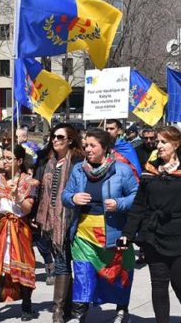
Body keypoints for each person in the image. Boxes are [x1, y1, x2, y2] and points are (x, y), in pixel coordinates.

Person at [120, 126, 181, 323]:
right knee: (158, 284)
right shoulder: (150, 170)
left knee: (180, 282)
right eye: (158, 142)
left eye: (163, 142)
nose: (158, 146)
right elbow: (139, 205)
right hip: (153, 233)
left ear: (175, 144)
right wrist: (128, 233)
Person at [62, 128, 138, 323]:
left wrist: (119, 204)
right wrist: (73, 198)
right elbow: (65, 195)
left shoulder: (122, 169)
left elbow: (137, 197)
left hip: (115, 233)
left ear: (104, 148)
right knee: (82, 272)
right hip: (83, 232)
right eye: (86, 145)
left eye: (92, 145)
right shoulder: (79, 169)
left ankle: (122, 309)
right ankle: (79, 314)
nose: (87, 149)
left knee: (120, 271)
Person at [0, 145, 39, 322]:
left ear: (19, 161)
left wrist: (17, 195)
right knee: (0, 266)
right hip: (3, 227)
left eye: (9, 158)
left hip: (20, 228)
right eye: (4, 157)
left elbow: (27, 209)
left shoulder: (28, 181)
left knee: (23, 264)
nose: (5, 161)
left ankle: (27, 305)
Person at [34, 123, 85, 323]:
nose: (55, 140)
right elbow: (39, 188)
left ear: (70, 140)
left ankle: (74, 307)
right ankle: (59, 310)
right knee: (62, 263)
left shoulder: (79, 162)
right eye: (53, 136)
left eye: (60, 137)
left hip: (75, 220)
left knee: (77, 265)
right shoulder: (46, 161)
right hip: (52, 223)